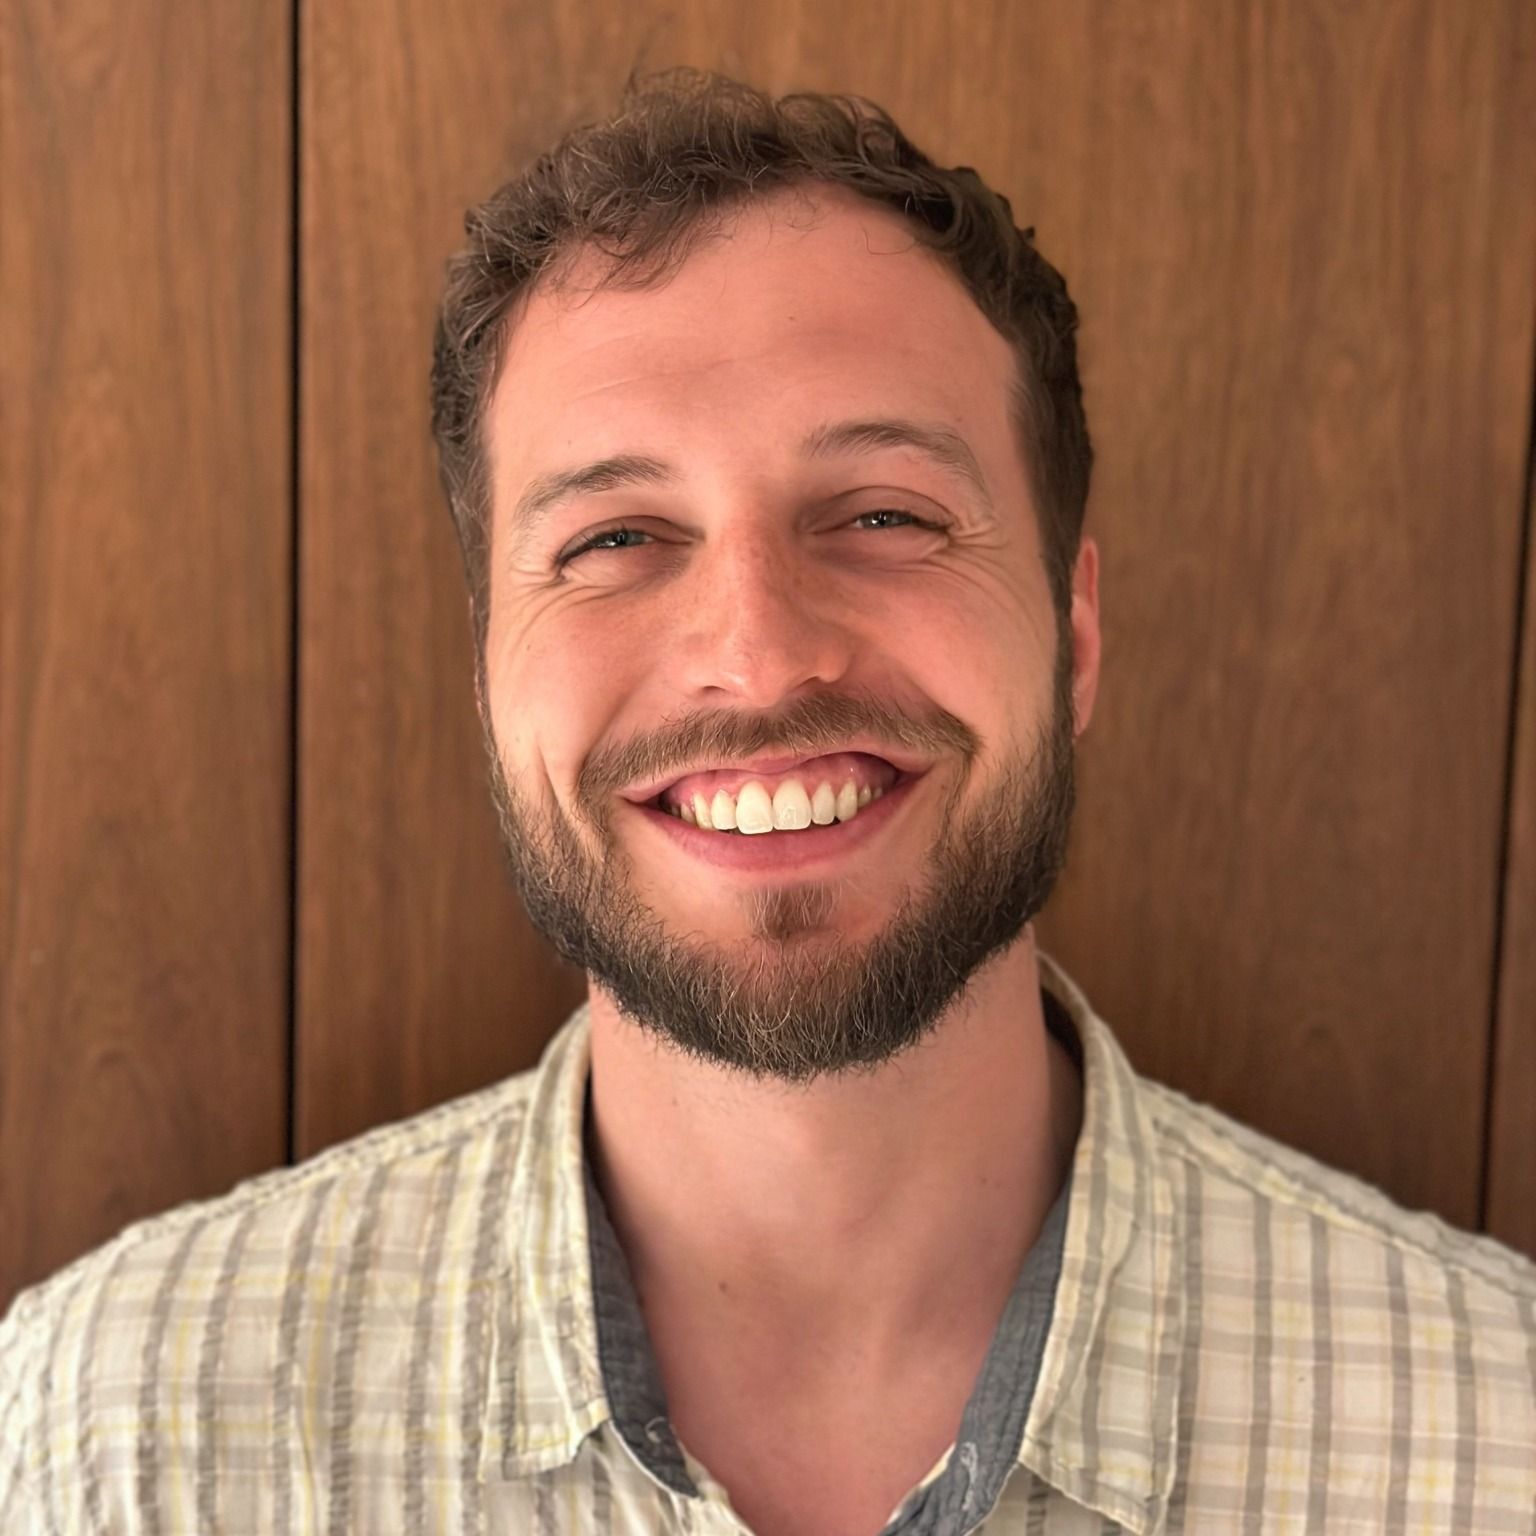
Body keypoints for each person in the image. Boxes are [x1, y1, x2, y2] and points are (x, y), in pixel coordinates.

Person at [3, 68, 1533, 1536]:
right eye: (614, 539)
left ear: (1070, 642)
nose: (758, 654)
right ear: (488, 678)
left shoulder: (1494, 1434)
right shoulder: (116, 1436)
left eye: (884, 513)